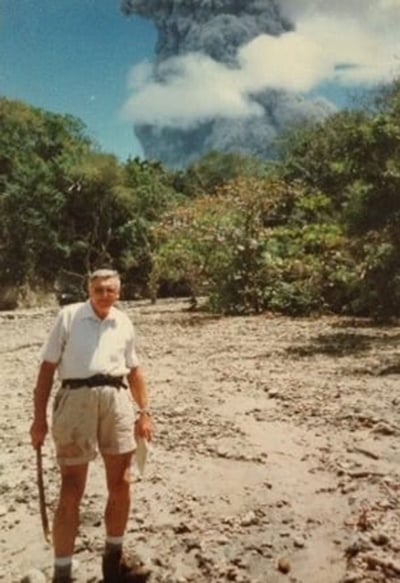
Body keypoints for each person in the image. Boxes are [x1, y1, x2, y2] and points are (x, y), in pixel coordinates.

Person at [30, 269, 154, 583]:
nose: (104, 295)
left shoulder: (123, 321)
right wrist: (38, 419)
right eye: (98, 289)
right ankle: (62, 573)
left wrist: (145, 412)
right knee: (72, 487)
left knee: (122, 482)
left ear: (119, 292)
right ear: (89, 290)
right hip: (75, 401)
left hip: (116, 400)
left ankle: (113, 563)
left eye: (110, 290)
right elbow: (46, 370)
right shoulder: (69, 317)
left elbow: (135, 370)